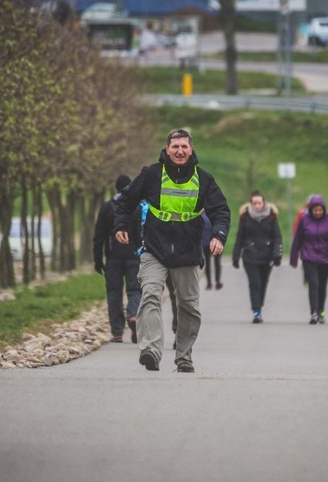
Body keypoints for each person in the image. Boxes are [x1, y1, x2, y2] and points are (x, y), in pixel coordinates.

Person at [113, 129, 230, 373]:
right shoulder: (152, 174)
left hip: (187, 251)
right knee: (150, 295)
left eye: (184, 147)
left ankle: (184, 357)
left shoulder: (204, 179)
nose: (179, 151)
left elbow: (221, 211)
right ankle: (151, 351)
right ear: (167, 149)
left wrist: (219, 235)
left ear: (191, 149)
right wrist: (121, 225)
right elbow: (125, 200)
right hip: (154, 249)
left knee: (189, 306)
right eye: (175, 146)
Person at [93, 175, 142, 343]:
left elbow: (99, 236)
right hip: (135, 256)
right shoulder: (138, 207)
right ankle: (134, 315)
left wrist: (98, 260)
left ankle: (117, 331)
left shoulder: (107, 208)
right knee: (135, 290)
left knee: (114, 293)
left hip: (113, 258)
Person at [289, 194, 328, 325]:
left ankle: (321, 311)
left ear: (324, 209)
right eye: (315, 210)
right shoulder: (304, 219)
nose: (318, 212)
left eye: (320, 210)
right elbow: (298, 239)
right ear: (311, 210)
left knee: (322, 285)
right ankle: (313, 312)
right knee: (314, 283)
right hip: (309, 256)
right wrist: (294, 258)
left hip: (326, 257)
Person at [232, 191, 282, 324]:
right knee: (255, 284)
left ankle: (259, 306)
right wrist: (235, 255)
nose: (257, 205)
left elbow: (277, 237)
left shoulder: (271, 216)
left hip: (267, 255)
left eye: (259, 203)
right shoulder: (245, 216)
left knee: (263, 283)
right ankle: (256, 311)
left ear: (264, 203)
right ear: (251, 203)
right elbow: (240, 236)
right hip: (250, 255)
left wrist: (277, 254)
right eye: (254, 203)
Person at [201, 212, 223, 290]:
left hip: (206, 243)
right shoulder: (218, 215)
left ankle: (209, 283)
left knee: (208, 262)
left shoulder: (202, 216)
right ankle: (217, 282)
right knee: (217, 262)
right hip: (216, 242)